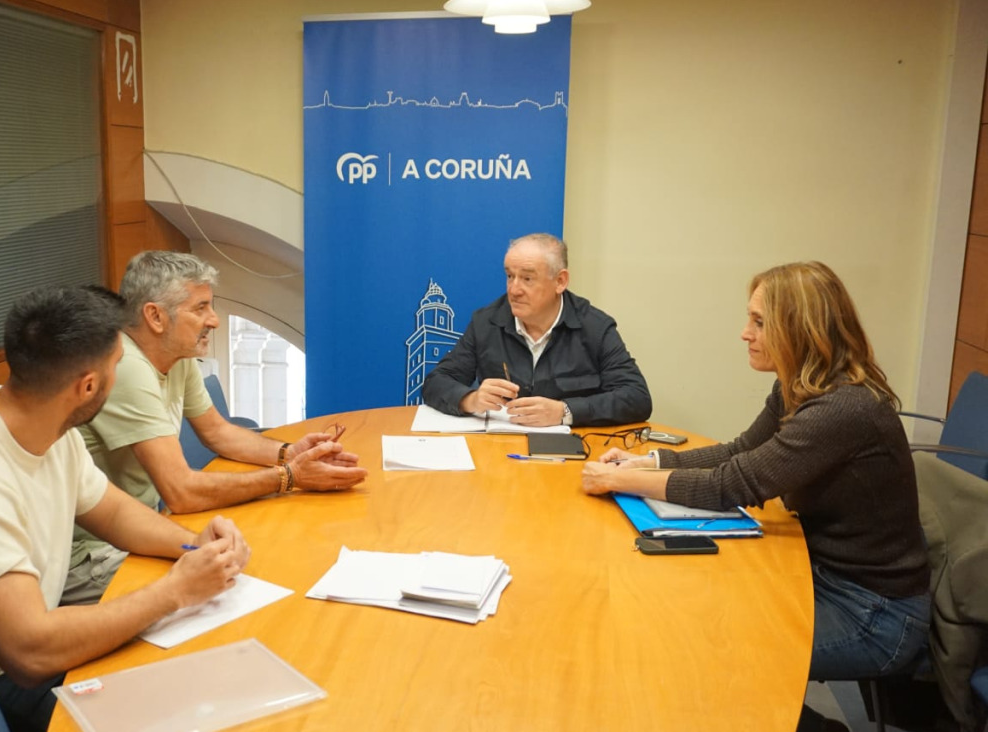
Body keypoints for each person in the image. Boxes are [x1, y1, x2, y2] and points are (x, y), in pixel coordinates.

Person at [0, 287, 250, 732]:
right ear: (88, 386)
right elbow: (30, 653)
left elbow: (113, 513)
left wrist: (194, 547)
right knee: (176, 709)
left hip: (1, 659)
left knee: (192, 681)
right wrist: (175, 592)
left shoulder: (40, 417)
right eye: (119, 365)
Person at [580, 261, 930, 731]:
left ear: (799, 327)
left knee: (714, 654)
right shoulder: (801, 387)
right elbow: (743, 451)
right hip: (825, 575)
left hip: (874, 614)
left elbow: (734, 485)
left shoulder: (843, 408)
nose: (746, 333)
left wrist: (620, 482)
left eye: (760, 322)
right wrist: (647, 463)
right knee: (698, 621)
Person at [66, 252, 367, 604]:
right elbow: (181, 491)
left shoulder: (175, 354)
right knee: (243, 585)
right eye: (201, 308)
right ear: (155, 317)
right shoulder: (125, 366)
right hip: (94, 553)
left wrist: (290, 454)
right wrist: (290, 477)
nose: (215, 320)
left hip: (140, 532)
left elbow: (218, 432)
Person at [421, 233, 651, 427]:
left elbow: (637, 398)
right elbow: (436, 382)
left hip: (570, 456)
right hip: (500, 455)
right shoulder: (486, 322)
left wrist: (564, 411)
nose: (514, 289)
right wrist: (470, 399)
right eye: (510, 276)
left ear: (560, 281)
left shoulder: (594, 327)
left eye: (527, 278)